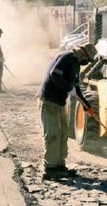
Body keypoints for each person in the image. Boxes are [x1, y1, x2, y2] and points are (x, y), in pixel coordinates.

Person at [36, 43, 97, 180]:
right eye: (88, 58)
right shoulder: (66, 58)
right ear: (83, 53)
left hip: (60, 102)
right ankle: (50, 168)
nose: (88, 62)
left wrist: (87, 106)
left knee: (63, 134)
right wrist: (68, 87)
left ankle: (59, 165)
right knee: (52, 134)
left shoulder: (76, 65)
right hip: (49, 101)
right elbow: (55, 75)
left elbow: (76, 88)